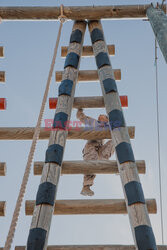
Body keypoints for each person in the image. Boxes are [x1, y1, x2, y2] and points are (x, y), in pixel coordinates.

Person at [76, 108, 115, 196]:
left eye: (103, 117)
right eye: (99, 117)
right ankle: (86, 187)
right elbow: (82, 118)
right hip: (91, 146)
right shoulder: (94, 122)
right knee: (91, 163)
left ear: (107, 119)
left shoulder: (108, 126)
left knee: (114, 141)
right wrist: (80, 110)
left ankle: (110, 164)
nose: (100, 117)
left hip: (100, 149)